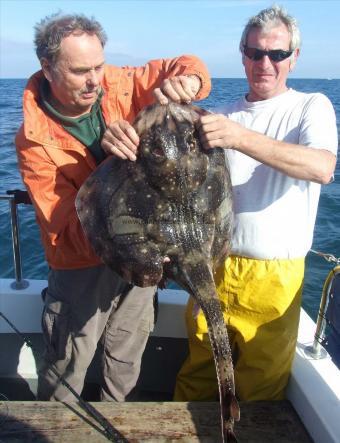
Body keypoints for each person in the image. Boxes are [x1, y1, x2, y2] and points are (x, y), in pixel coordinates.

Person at [15, 13, 211, 402]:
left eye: (98, 66)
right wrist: (113, 164)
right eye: (80, 71)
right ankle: (59, 427)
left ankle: (118, 418)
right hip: (81, 268)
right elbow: (68, 226)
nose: (94, 80)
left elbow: (185, 64)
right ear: (48, 67)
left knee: (126, 356)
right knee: (69, 362)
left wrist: (189, 80)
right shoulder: (33, 139)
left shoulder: (119, 83)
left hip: (142, 259)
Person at [174, 5, 338, 402]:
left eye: (277, 54)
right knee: (197, 375)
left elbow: (321, 167)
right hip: (211, 266)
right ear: (243, 54)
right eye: (255, 53)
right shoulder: (217, 116)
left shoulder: (311, 106)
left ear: (293, 58)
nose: (266, 63)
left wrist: (239, 137)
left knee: (258, 391)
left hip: (274, 278)